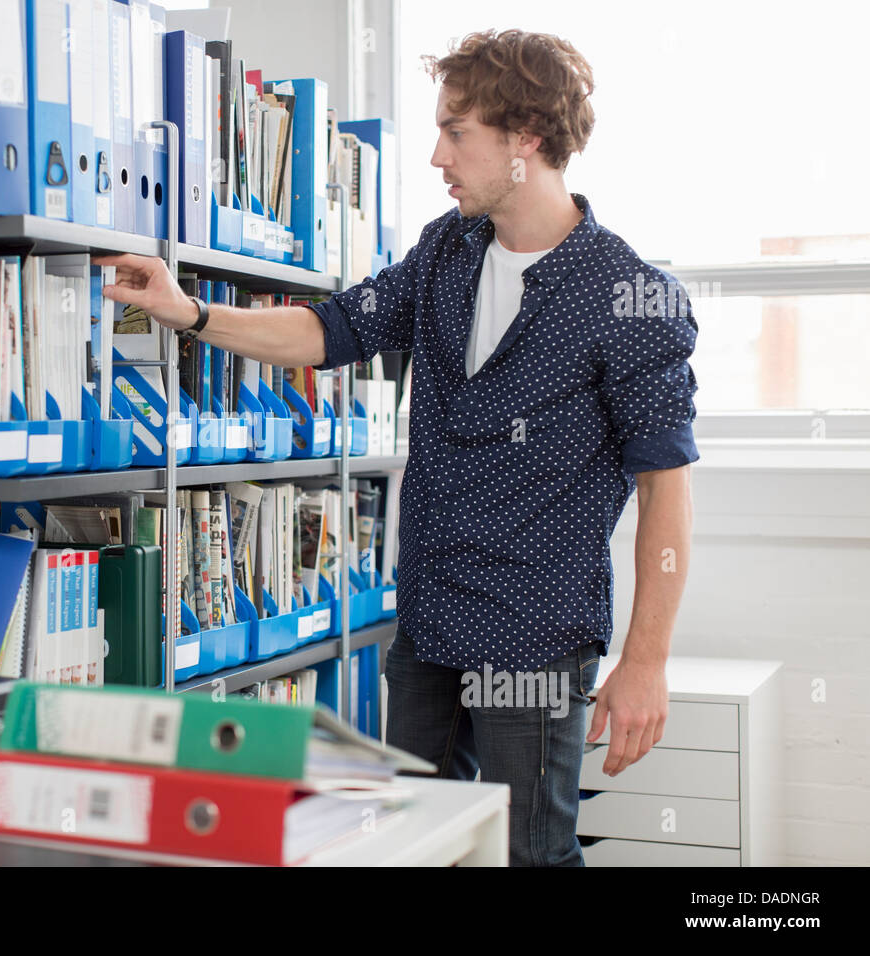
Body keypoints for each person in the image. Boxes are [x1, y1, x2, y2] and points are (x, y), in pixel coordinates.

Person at [94, 28, 698, 867]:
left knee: (530, 853)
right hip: (427, 622)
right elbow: (327, 329)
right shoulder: (445, 250)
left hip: (536, 635)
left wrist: (645, 663)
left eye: (457, 132)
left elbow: (667, 491)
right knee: (410, 844)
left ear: (525, 139)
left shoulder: (632, 299)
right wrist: (191, 313)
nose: (435, 156)